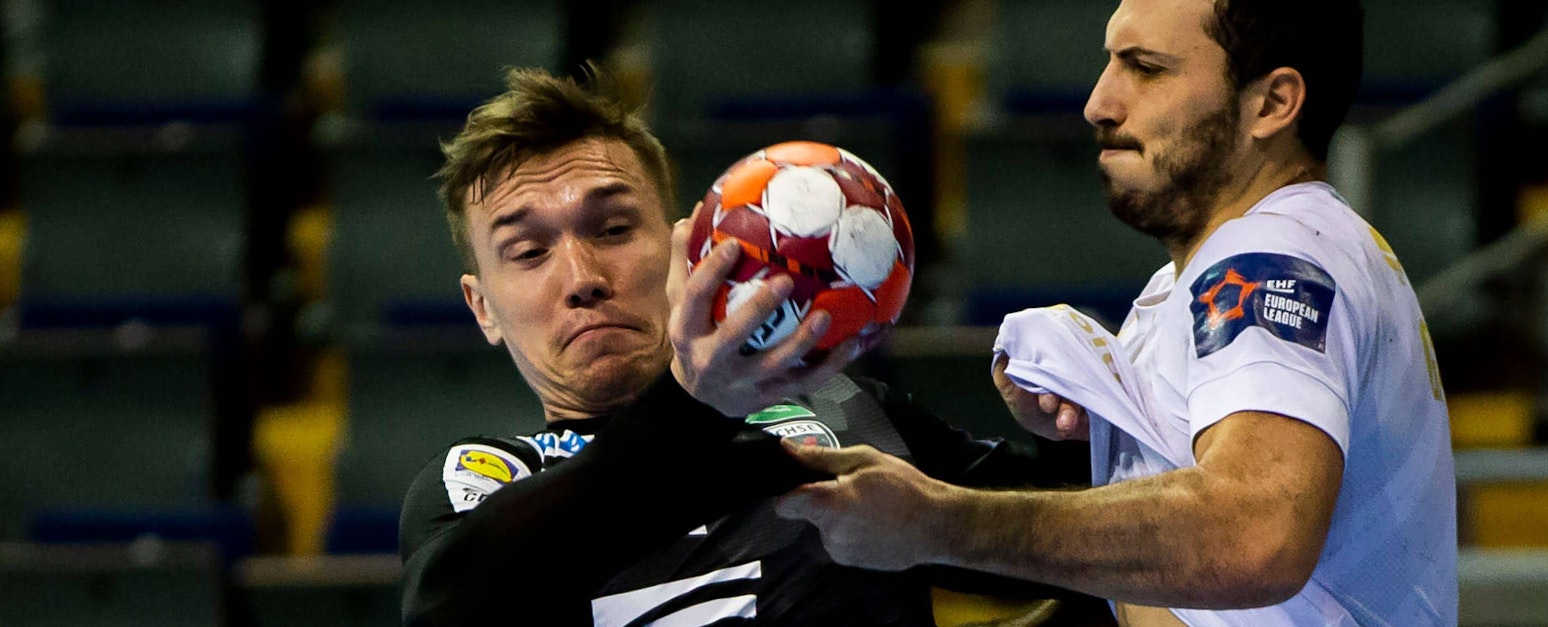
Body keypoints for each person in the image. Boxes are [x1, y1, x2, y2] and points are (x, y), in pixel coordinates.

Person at [775, 0, 1458, 625]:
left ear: (1272, 103)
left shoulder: (1269, 260)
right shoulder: (1213, 276)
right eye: (1110, 63)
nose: (1099, 102)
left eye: (1145, 69)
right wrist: (1119, 411)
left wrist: (939, 525)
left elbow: (1256, 535)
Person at [395, 67, 1089, 626]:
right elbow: (447, 605)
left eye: (611, 229)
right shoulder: (484, 479)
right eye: (528, 250)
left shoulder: (846, 412)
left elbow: (1095, 552)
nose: (581, 278)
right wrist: (693, 408)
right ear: (483, 308)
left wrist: (1075, 427)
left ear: (684, 246)